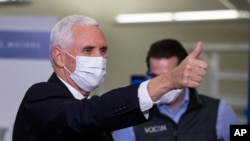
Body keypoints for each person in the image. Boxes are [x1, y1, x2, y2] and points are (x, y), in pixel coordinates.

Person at [12, 15, 208, 141]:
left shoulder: (99, 123)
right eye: (88, 50)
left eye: (103, 50)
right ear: (59, 57)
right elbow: (85, 115)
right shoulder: (40, 97)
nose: (99, 58)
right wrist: (167, 80)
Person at [112, 39, 240, 141]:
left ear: (185, 72)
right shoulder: (130, 120)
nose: (164, 82)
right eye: (156, 77)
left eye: (171, 75)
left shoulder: (219, 111)